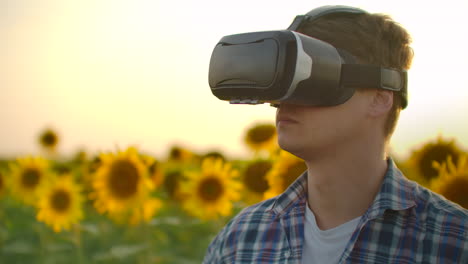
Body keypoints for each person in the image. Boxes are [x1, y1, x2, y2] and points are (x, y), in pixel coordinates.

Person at [203, 5, 468, 264]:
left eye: (311, 78)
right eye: (285, 81)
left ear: (379, 98)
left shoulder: (453, 242)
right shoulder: (241, 239)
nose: (286, 101)